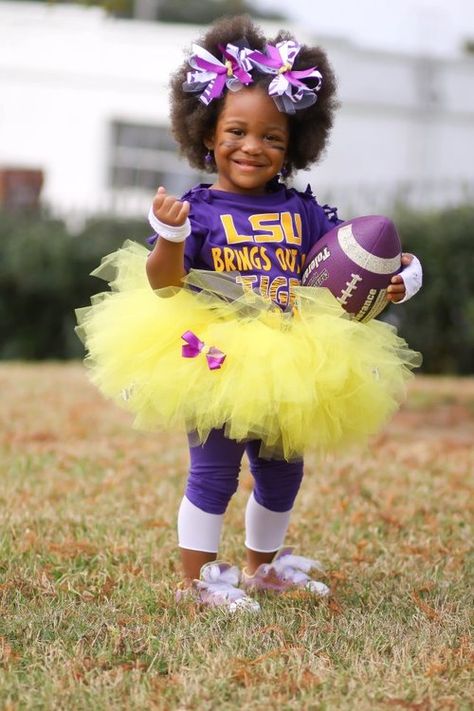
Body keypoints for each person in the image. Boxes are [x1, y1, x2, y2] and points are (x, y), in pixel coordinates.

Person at [76, 15, 422, 613]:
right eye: (236, 130)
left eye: (272, 138)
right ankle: (198, 578)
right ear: (207, 134)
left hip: (291, 355)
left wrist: (400, 275)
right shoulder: (198, 210)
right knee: (214, 470)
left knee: (283, 470)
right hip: (217, 354)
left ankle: (264, 567)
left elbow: (353, 262)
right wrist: (167, 236)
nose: (252, 147)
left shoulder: (304, 210)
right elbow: (164, 285)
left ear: (295, 146)